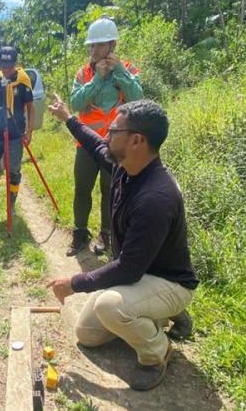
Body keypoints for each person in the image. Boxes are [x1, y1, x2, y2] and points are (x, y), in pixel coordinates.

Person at [47, 97, 198, 391]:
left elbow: (128, 269)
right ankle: (159, 314)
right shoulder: (125, 166)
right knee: (87, 334)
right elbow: (95, 145)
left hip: (169, 282)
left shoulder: (156, 197)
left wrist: (73, 283)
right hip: (142, 275)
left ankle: (157, 352)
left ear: (137, 140)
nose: (107, 135)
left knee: (110, 306)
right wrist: (68, 118)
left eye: (114, 131)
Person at [68, 18, 143, 257]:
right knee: (82, 189)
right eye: (91, 46)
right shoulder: (84, 73)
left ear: (112, 45)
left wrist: (118, 72)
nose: (93, 50)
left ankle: (106, 235)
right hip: (87, 145)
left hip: (116, 146)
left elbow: (138, 99)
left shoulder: (128, 69)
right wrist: (97, 79)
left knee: (110, 191)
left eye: (98, 45)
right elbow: (76, 102)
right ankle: (80, 233)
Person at [0, 46, 34, 215]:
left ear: (15, 63)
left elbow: (31, 109)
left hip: (16, 134)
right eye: (3, 64)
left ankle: (11, 207)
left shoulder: (23, 81)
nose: (6, 68)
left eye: (9, 65)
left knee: (13, 171)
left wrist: (29, 132)